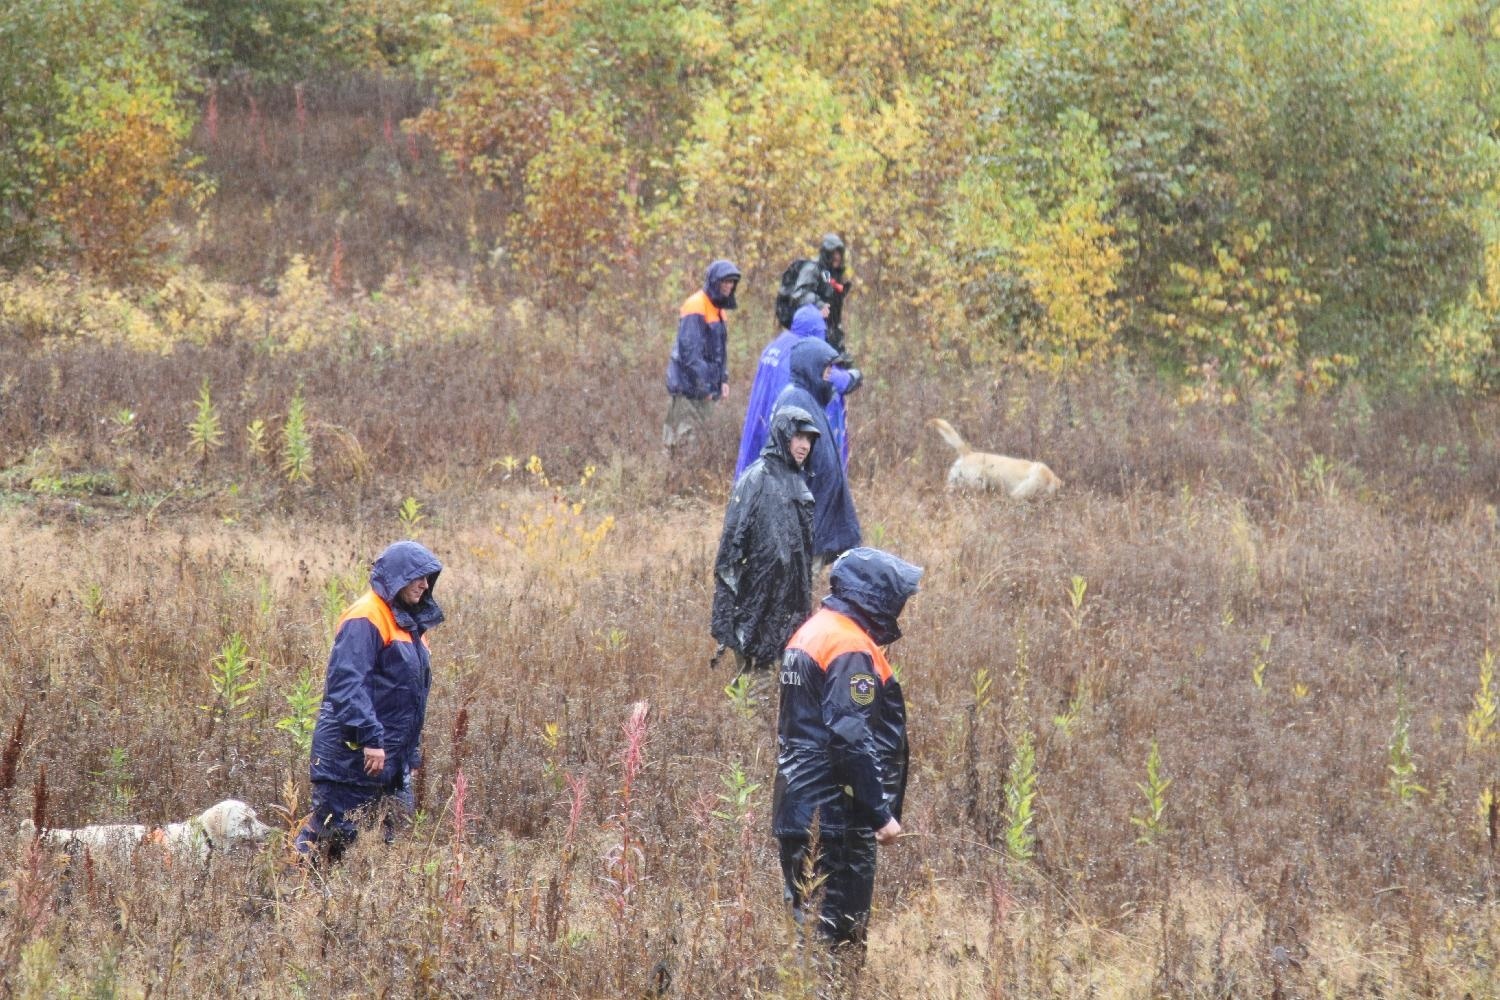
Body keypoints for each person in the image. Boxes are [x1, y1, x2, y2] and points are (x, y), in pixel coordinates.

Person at [773, 547, 923, 953]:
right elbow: (850, 737)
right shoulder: (849, 646)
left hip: (797, 809)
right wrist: (880, 813)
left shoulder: (813, 631)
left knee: (804, 936)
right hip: (836, 818)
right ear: (876, 596)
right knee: (839, 941)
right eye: (898, 598)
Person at [297, 540, 444, 862]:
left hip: (390, 761)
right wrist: (369, 738)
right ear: (396, 578)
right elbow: (347, 683)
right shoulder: (367, 615)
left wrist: (409, 755)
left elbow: (408, 699)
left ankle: (361, 908)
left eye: (429, 578)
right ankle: (284, 896)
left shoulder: (408, 624)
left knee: (390, 846)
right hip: (352, 758)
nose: (424, 584)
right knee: (328, 842)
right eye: (417, 577)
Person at [711, 406, 821, 674]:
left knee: (781, 689)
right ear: (783, 435)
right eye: (798, 437)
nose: (804, 445)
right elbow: (729, 554)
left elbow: (802, 557)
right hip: (756, 606)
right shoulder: (756, 480)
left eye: (809, 439)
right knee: (755, 688)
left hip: (789, 608)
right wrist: (731, 615)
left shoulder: (799, 485)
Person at [733, 302, 862, 480]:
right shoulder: (803, 353)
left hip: (765, 423)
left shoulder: (777, 346)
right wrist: (852, 377)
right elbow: (831, 378)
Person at [772, 337, 860, 567]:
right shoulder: (796, 400)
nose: (829, 376)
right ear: (811, 367)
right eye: (826, 369)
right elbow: (787, 468)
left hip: (817, 521)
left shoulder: (810, 399)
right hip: (805, 528)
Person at [664, 259, 741, 450]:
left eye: (732, 282)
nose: (729, 286)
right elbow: (690, 355)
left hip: (703, 392)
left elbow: (718, 351)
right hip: (688, 391)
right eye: (725, 281)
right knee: (682, 445)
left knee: (701, 445)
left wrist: (723, 380)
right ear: (715, 281)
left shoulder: (718, 310)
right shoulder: (696, 306)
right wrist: (705, 387)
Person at [788, 235, 852, 354]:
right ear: (826, 253)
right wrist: (818, 304)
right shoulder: (812, 268)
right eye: (833, 253)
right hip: (811, 330)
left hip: (832, 332)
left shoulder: (836, 273)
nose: (837, 257)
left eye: (839, 253)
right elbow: (799, 294)